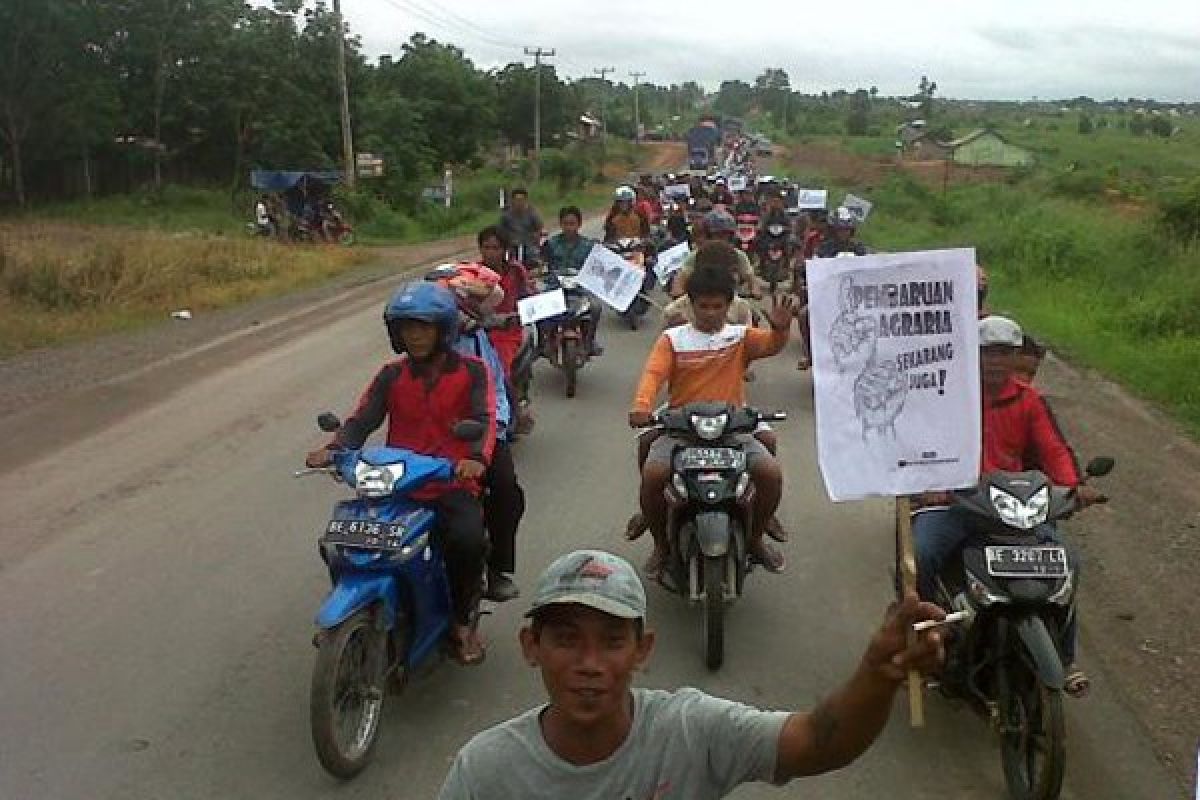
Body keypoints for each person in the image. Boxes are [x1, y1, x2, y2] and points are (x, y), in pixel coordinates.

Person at [436, 549, 945, 800]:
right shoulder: (484, 772)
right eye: (567, 639)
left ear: (642, 650)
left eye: (613, 641)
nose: (589, 664)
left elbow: (816, 741)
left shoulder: (691, 728)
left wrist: (878, 676)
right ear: (532, 647)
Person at [912, 315, 1103, 697]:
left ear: (1016, 357)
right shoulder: (950, 394)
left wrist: (1073, 487)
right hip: (959, 503)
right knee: (922, 553)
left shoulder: (1029, 400)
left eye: (1003, 353)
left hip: (1014, 505)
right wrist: (927, 484)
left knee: (1068, 562)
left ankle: (1064, 657)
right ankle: (929, 636)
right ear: (974, 355)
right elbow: (923, 442)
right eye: (987, 353)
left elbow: (1052, 448)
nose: (996, 361)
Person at [304, 282, 495, 664]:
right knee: (342, 539)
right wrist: (335, 449)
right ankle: (350, 613)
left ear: (443, 329)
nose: (416, 336)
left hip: (449, 480)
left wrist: (475, 458)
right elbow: (362, 419)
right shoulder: (391, 375)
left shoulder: (472, 371)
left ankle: (460, 623)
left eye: (424, 327)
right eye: (407, 328)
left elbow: (484, 418)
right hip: (395, 483)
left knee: (468, 540)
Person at [631, 248, 795, 575]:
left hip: (733, 424)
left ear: (728, 305)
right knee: (653, 475)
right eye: (703, 306)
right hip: (681, 425)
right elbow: (653, 374)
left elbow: (771, 346)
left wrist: (780, 330)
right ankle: (660, 544)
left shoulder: (739, 336)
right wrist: (641, 405)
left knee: (770, 474)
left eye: (717, 306)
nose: (710, 313)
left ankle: (756, 538)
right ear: (690, 306)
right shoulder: (672, 339)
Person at [428, 264, 526, 603]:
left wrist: (491, 432)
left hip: (477, 436)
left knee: (505, 489)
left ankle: (496, 569)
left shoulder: (478, 346)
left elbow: (495, 395)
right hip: (426, 440)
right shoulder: (402, 364)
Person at [478, 225, 535, 434]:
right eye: (486, 247)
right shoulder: (474, 274)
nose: (491, 253)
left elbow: (528, 294)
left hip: (507, 331)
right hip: (480, 329)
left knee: (498, 369)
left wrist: (521, 312)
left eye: (495, 248)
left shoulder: (515, 270)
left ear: (504, 250)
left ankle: (511, 414)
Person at [664, 210, 759, 328]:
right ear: (707, 235)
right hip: (699, 300)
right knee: (671, 317)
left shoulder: (739, 256)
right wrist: (677, 291)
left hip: (730, 302)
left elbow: (750, 277)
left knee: (753, 323)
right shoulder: (695, 256)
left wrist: (755, 290)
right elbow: (681, 277)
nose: (722, 239)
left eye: (726, 236)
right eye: (717, 235)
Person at [541, 205, 604, 357]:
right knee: (539, 307)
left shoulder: (589, 245)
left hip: (580, 286)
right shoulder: (550, 244)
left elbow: (598, 266)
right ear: (561, 224)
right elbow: (542, 263)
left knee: (596, 307)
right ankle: (545, 341)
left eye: (572, 223)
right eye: (566, 223)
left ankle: (589, 340)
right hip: (555, 285)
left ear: (579, 224)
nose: (569, 227)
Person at [499, 187, 545, 267]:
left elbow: (539, 228)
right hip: (512, 245)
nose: (519, 203)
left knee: (534, 259)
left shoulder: (532, 214)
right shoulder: (506, 215)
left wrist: (536, 239)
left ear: (526, 200)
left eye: (521, 200)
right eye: (517, 200)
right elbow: (501, 231)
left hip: (529, 245)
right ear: (512, 201)